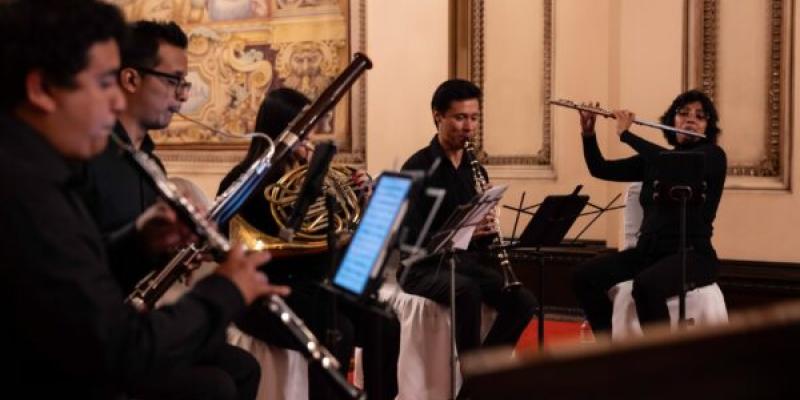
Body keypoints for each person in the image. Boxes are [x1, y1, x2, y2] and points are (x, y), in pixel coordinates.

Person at [0, 1, 288, 398]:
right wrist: (226, 291)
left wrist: (140, 243)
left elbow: (84, 278)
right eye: (103, 83)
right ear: (40, 89)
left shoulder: (37, 173)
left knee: (232, 369)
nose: (116, 101)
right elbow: (116, 350)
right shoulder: (27, 191)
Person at [77, 19, 266, 399]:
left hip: (134, 320)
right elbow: (87, 262)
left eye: (184, 84)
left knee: (242, 367)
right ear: (130, 80)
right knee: (214, 387)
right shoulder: (88, 160)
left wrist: (174, 253)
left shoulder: (151, 165)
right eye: (173, 81)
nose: (181, 97)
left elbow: (143, 259)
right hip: (96, 335)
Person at [218, 87, 400, 399]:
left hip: (313, 284)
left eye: (310, 126)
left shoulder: (312, 174)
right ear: (280, 128)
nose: (309, 136)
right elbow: (227, 239)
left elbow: (332, 235)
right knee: (339, 333)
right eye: (302, 128)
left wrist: (357, 198)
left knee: (384, 320)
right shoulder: (244, 178)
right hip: (264, 291)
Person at [400, 79, 539, 358]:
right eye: (460, 117)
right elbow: (409, 240)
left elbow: (478, 240)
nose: (469, 127)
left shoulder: (475, 170)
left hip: (463, 264)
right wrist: (463, 233)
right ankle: (472, 372)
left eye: (474, 118)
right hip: (423, 268)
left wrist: (486, 225)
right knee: (468, 291)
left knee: (523, 301)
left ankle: (482, 372)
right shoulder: (417, 168)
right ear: (438, 116)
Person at [572, 90, 727, 334]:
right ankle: (608, 348)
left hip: (692, 254)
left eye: (700, 116)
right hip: (649, 252)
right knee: (584, 276)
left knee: (647, 285)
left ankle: (658, 361)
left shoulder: (712, 156)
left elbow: (672, 165)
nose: (690, 119)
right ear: (671, 122)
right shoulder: (654, 160)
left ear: (708, 126)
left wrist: (626, 135)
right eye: (683, 113)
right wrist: (588, 134)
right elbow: (600, 169)